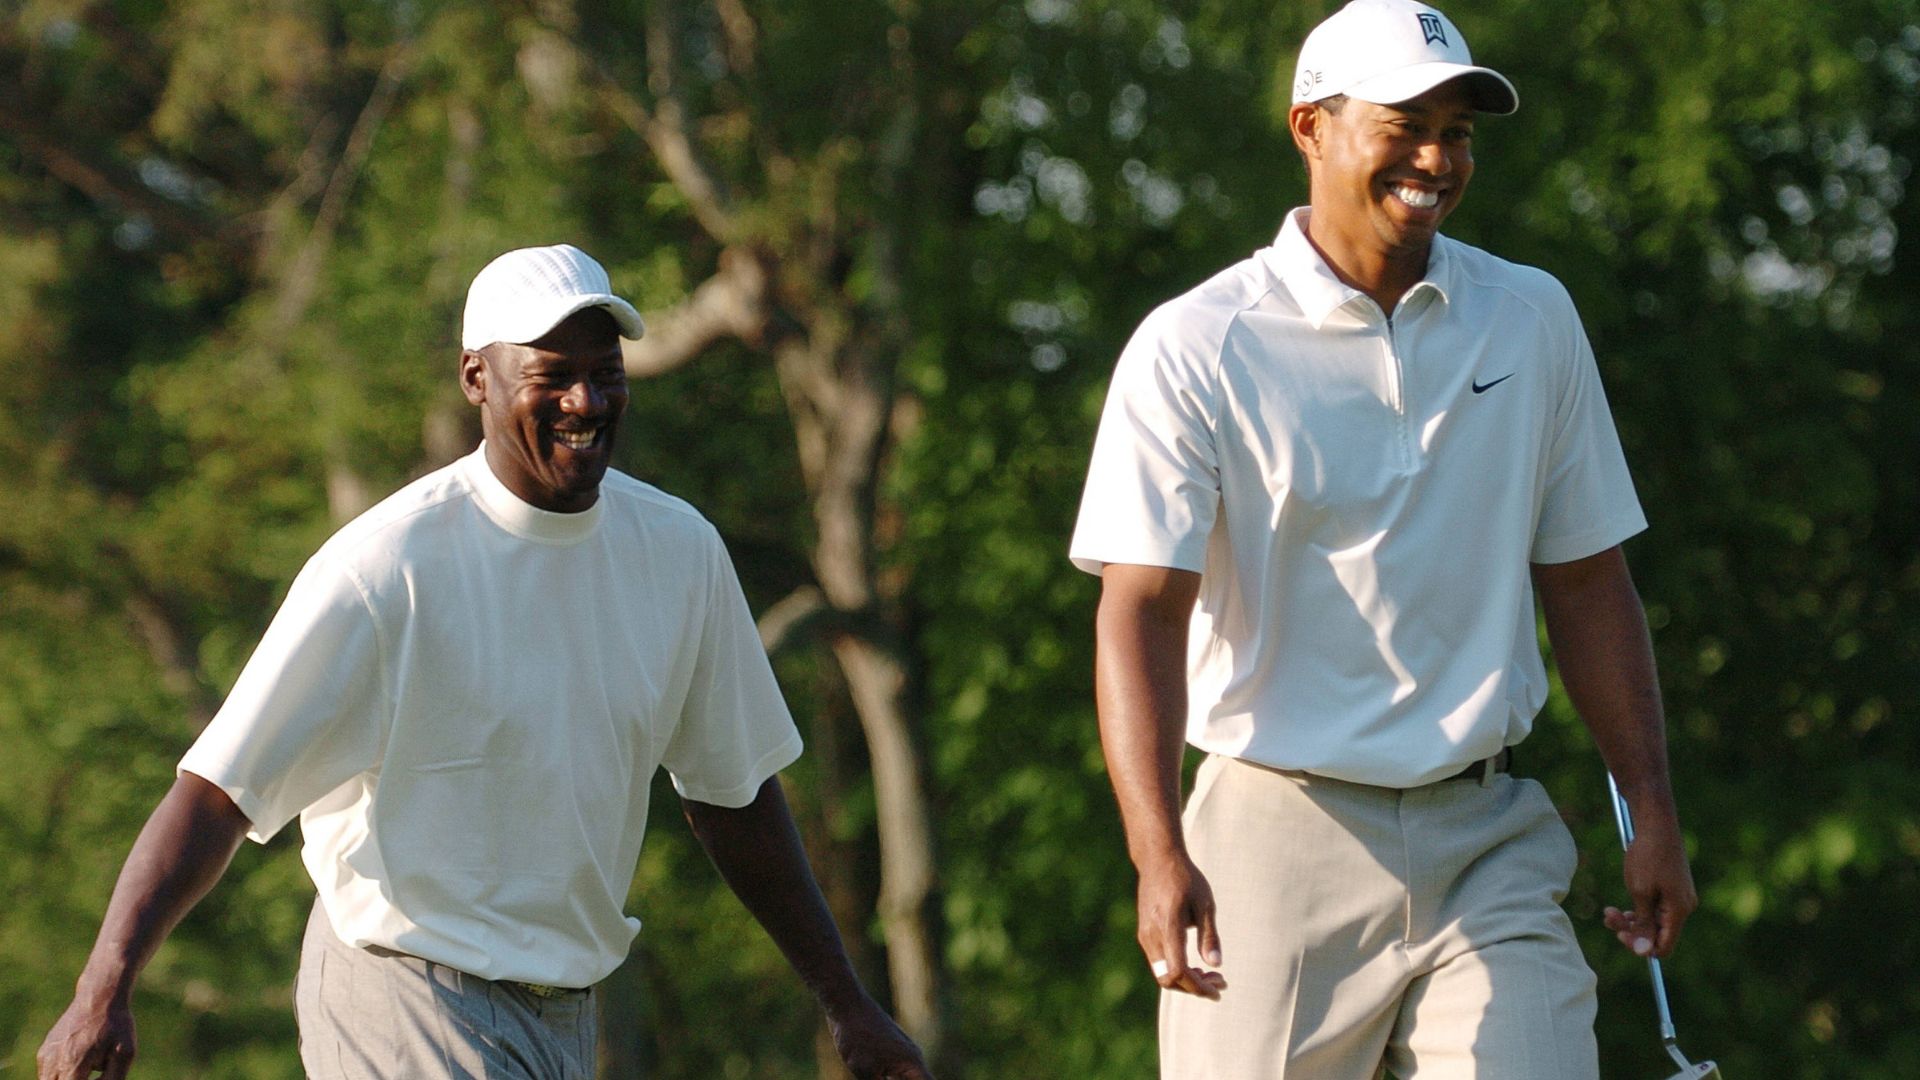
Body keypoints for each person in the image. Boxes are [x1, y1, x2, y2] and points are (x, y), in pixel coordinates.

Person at [37, 244, 933, 1080]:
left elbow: (731, 795)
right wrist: (103, 986)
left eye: (605, 373)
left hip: (567, 1015)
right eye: (552, 376)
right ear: (477, 377)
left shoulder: (679, 553)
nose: (586, 402)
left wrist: (847, 1005)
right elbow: (218, 793)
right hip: (403, 990)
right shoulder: (387, 568)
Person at [1069, 1, 1697, 1076]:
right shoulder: (1196, 346)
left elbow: (1589, 579)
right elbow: (1142, 608)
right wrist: (1158, 846)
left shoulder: (1530, 317)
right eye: (1402, 123)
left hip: (1487, 831)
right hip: (1274, 843)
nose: (1435, 157)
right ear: (1309, 127)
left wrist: (1651, 807)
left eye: (1455, 130)